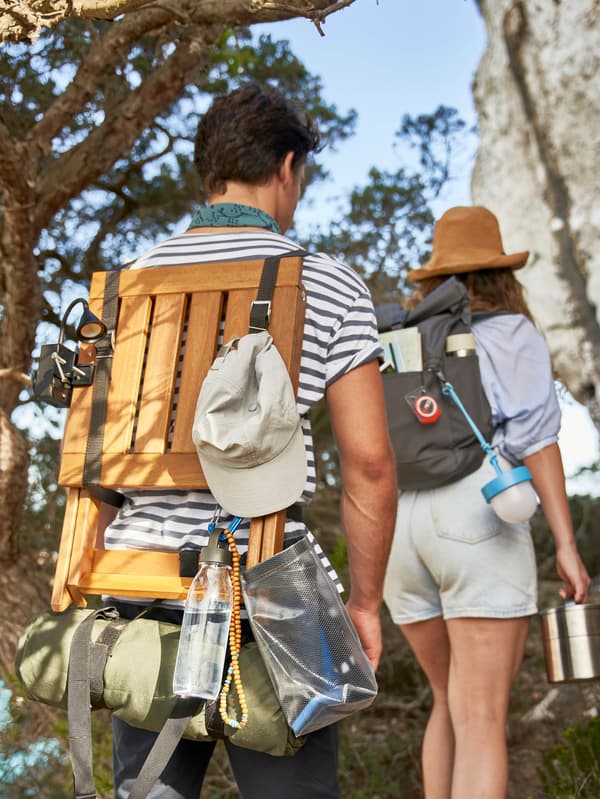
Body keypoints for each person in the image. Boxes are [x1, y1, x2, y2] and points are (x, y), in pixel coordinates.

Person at [102, 84, 397, 799]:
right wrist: (362, 602)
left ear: (212, 171)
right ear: (287, 168)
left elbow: (101, 454)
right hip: (271, 593)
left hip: (141, 586)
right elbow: (370, 462)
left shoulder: (128, 285)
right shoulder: (326, 283)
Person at [382, 206, 591, 799]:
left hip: (404, 524)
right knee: (481, 720)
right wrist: (568, 547)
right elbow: (538, 441)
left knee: (447, 703)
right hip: (479, 513)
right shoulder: (511, 332)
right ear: (502, 272)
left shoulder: (406, 337)